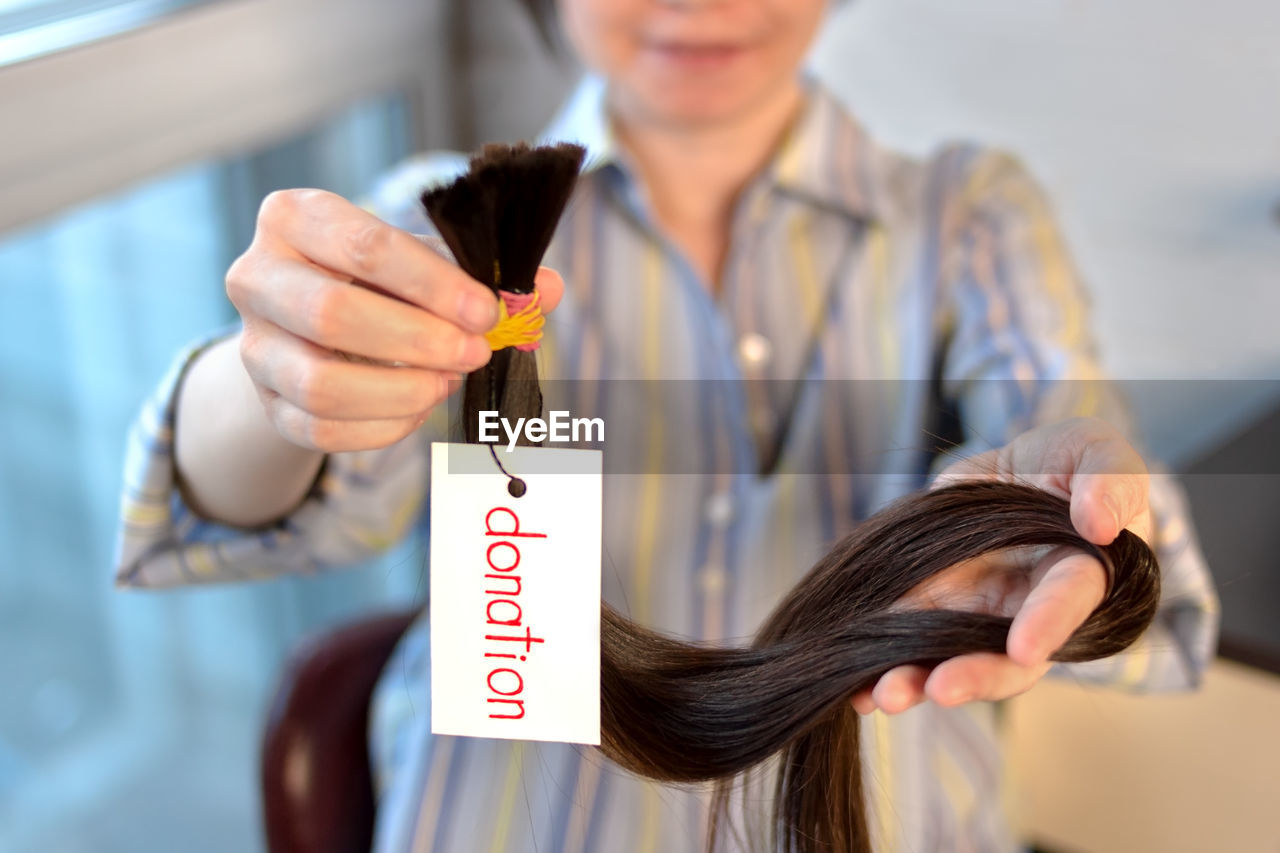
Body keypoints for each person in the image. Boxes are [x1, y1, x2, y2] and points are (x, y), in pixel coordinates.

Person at [115, 0, 1218, 850]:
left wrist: (1067, 520)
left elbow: (1067, 430)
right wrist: (264, 385)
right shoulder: (436, 233)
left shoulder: (968, 216)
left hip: (883, 813)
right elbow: (290, 509)